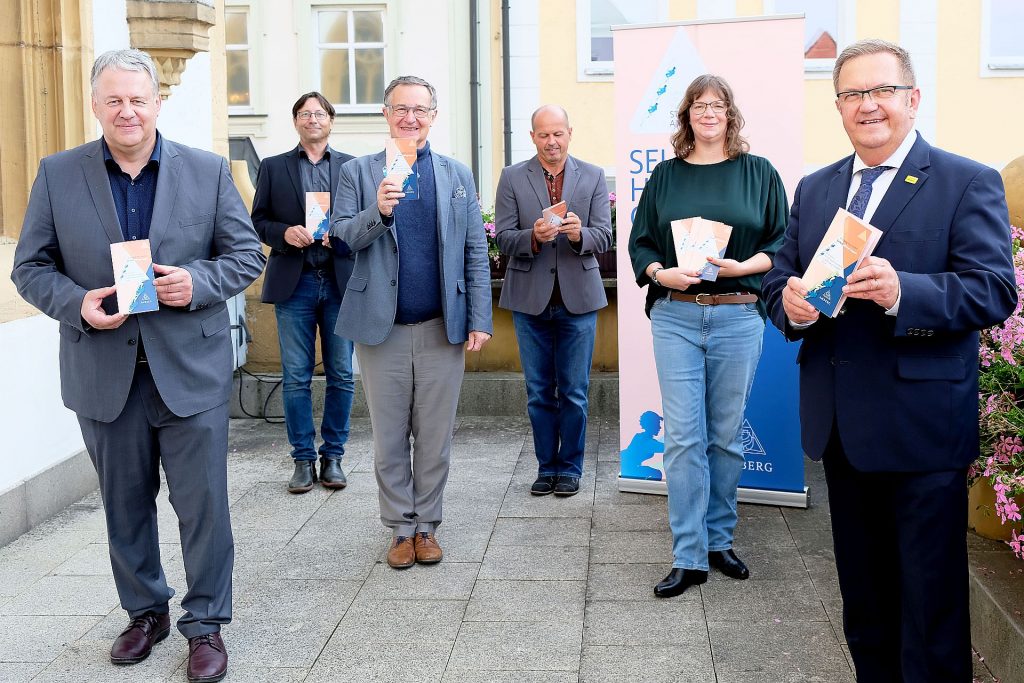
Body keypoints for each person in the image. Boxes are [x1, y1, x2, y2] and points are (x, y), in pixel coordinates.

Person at [762, 39, 1017, 682]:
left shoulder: (966, 180)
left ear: (912, 99)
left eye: (881, 91)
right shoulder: (817, 188)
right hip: (842, 430)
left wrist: (907, 290)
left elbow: (994, 289)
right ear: (839, 107)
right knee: (866, 606)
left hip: (922, 429)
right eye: (852, 94)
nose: (867, 106)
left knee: (929, 609)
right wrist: (789, 305)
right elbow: (782, 279)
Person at [11, 49, 266, 682]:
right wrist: (78, 305)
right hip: (103, 369)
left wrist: (197, 282)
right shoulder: (58, 173)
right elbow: (29, 268)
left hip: (191, 371)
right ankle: (145, 611)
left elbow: (245, 256)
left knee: (203, 505)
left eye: (138, 99)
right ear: (96, 105)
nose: (127, 111)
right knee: (125, 506)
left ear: (157, 103)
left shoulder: (206, 172)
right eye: (114, 100)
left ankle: (206, 626)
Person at [628, 74, 788, 599]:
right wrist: (659, 274)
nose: (708, 112)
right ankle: (688, 554)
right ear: (686, 116)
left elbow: (781, 244)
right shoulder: (665, 177)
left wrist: (743, 265)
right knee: (683, 438)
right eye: (699, 105)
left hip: (739, 315)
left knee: (723, 435)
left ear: (730, 114)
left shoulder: (758, 173)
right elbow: (642, 243)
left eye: (718, 104)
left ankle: (720, 540)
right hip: (676, 314)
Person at [329, 75, 493, 569]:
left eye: (420, 110)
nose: (411, 118)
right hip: (382, 329)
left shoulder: (456, 174)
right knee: (389, 436)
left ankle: (428, 526)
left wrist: (479, 316)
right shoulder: (358, 173)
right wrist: (378, 211)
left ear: (434, 116)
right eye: (401, 109)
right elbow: (341, 236)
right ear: (386, 114)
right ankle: (400, 528)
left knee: (436, 436)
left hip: (443, 325)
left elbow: (474, 252)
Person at [494, 105, 612, 497]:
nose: (551, 141)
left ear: (570, 133)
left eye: (558, 133)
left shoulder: (593, 175)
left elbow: (605, 236)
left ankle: (571, 467)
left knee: (575, 391)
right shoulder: (512, 177)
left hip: (578, 298)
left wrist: (580, 236)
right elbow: (503, 237)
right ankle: (546, 466)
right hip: (530, 300)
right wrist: (533, 237)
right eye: (543, 134)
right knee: (540, 390)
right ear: (532, 137)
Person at [251, 92, 356, 494]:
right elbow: (258, 221)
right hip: (294, 283)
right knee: (295, 377)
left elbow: (366, 220)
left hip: (339, 280)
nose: (312, 119)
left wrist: (342, 234)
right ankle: (302, 460)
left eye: (319, 113)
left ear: (330, 120)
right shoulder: (275, 168)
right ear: (295, 122)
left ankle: (333, 456)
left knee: (342, 375)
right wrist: (283, 233)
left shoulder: (351, 167)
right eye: (304, 113)